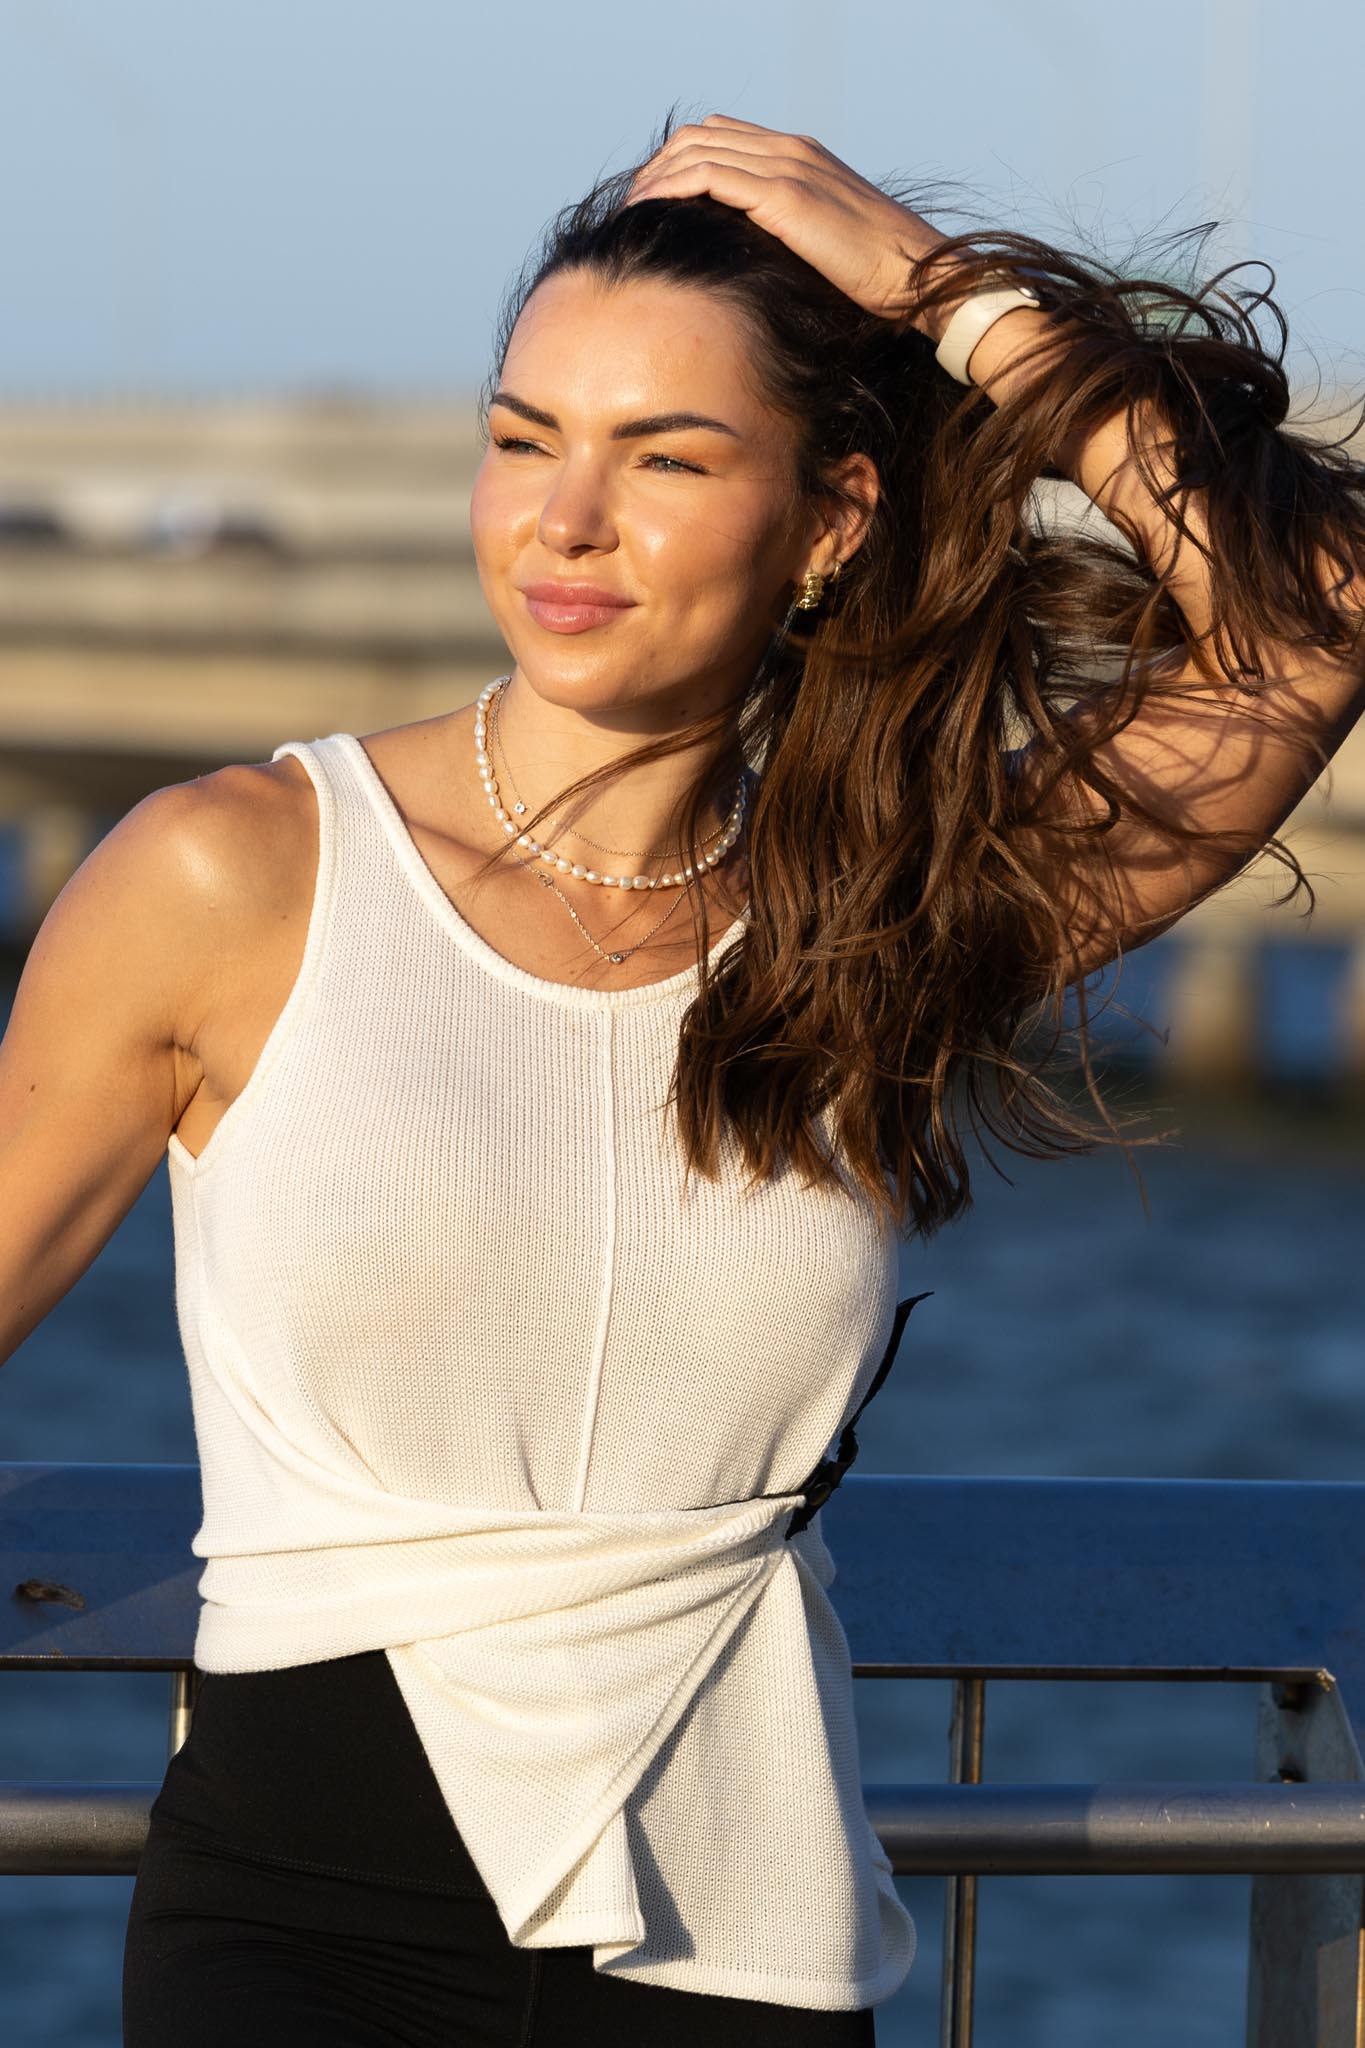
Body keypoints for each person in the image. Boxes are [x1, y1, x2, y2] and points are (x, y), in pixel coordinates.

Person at [2, 111, 1363, 2047]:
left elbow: (1303, 616)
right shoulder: (236, 870)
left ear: (827, 522)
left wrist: (932, 285)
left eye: (666, 455)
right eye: (519, 436)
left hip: (750, 1950)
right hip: (300, 1944)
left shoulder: (879, 918)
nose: (560, 519)